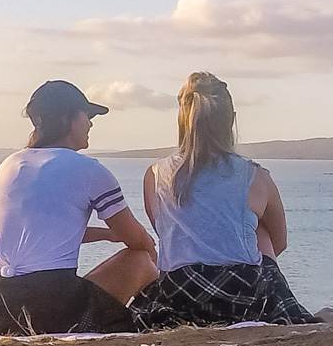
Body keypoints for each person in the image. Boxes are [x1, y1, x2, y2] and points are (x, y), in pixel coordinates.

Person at [0, 80, 157, 335]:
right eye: (87, 115)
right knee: (141, 260)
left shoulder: (11, 165)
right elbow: (138, 242)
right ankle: (156, 321)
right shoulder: (90, 170)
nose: (91, 123)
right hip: (48, 307)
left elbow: (41, 232)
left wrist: (106, 235)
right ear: (66, 119)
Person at [131, 71, 316, 330]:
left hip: (181, 293)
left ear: (182, 119)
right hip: (242, 296)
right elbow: (279, 242)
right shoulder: (255, 176)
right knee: (258, 227)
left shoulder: (156, 175)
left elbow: (166, 233)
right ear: (231, 121)